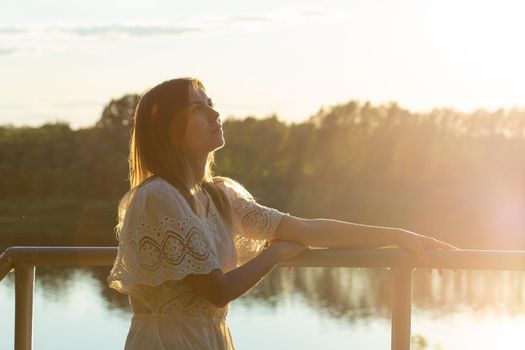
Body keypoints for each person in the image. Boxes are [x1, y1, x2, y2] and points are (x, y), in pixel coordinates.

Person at [107, 78, 456, 350]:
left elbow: (306, 229)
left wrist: (398, 236)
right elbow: (216, 290)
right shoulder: (158, 197)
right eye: (198, 109)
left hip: (209, 340)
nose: (215, 113)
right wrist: (275, 253)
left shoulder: (219, 194)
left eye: (211, 104)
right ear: (170, 129)